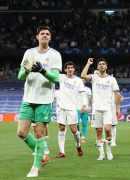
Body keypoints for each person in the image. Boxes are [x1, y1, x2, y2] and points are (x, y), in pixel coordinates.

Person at [17, 26, 62, 177]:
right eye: (42, 34)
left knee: (39, 133)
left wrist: (42, 70)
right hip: (28, 98)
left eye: (47, 34)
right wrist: (28, 70)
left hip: (44, 99)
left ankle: (36, 167)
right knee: (21, 132)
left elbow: (56, 78)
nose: (45, 36)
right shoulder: (29, 53)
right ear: (37, 37)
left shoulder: (55, 55)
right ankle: (42, 156)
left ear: (50, 37)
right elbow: (20, 76)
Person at [81, 58, 122, 160]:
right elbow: (82, 75)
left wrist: (118, 108)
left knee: (108, 129)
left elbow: (117, 95)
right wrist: (88, 63)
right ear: (97, 67)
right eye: (100, 64)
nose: (101, 65)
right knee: (98, 131)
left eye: (103, 64)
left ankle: (109, 151)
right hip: (96, 109)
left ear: (106, 66)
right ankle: (101, 154)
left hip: (108, 108)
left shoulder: (112, 79)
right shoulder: (94, 77)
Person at [55, 61, 85, 158]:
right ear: (65, 70)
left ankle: (78, 145)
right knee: (61, 127)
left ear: (74, 69)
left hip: (72, 108)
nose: (70, 69)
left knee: (73, 129)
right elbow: (52, 73)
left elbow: (82, 93)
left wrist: (84, 105)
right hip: (61, 107)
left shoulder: (78, 80)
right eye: (68, 67)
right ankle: (62, 152)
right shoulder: (61, 77)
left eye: (72, 67)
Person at [77, 78, 92, 143]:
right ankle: (78, 133)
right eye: (81, 80)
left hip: (85, 108)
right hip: (77, 108)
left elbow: (89, 99)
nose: (82, 81)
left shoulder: (88, 89)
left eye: (83, 80)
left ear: (85, 81)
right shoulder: (76, 88)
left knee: (84, 124)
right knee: (76, 123)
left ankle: (83, 137)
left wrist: (90, 106)